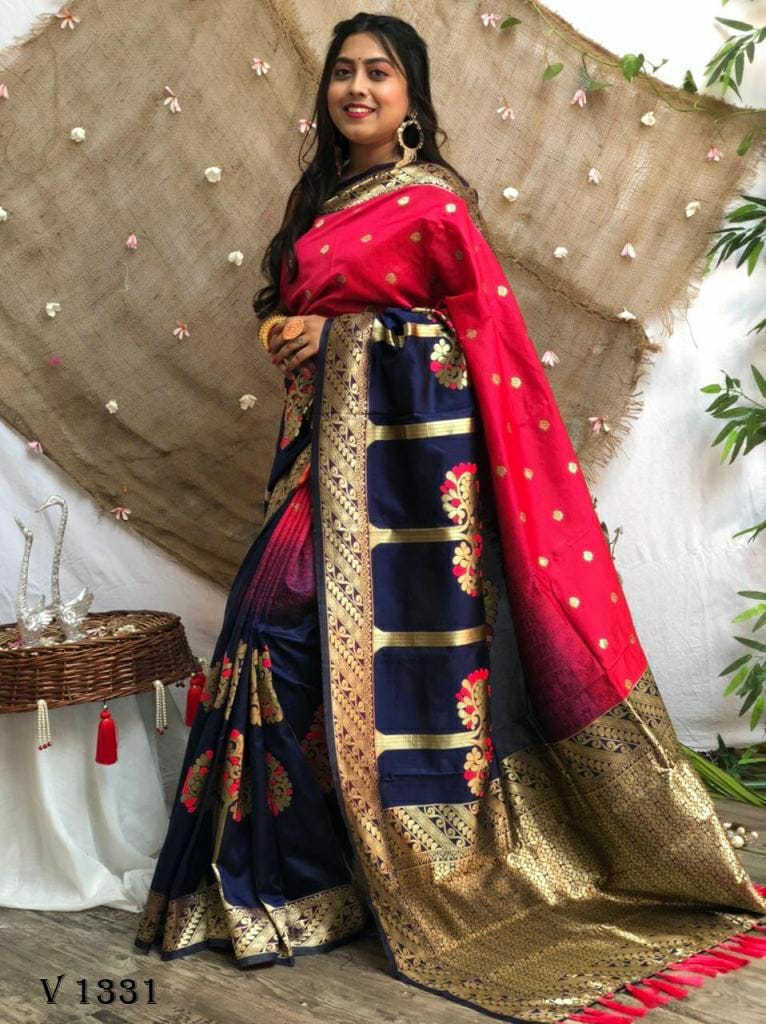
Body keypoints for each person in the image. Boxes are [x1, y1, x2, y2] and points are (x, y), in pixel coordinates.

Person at [134, 12, 766, 1022]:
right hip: (319, 468)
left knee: (283, 636)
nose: (356, 88)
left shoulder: (430, 206)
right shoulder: (324, 202)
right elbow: (297, 308)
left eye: (378, 73)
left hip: (403, 490)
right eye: (343, 72)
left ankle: (334, 876)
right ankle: (300, 882)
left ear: (411, 98)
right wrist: (286, 329)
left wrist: (341, 340)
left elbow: (472, 347)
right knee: (266, 636)